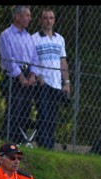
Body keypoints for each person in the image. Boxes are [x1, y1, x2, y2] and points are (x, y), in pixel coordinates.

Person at [0, 5, 41, 145]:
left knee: (25, 109)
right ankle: (9, 141)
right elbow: (8, 59)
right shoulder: (6, 35)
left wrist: (32, 75)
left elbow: (35, 58)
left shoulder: (29, 37)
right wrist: (21, 77)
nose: (30, 18)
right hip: (14, 76)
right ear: (17, 17)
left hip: (29, 74)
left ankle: (20, 142)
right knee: (14, 108)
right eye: (27, 15)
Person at [32, 8, 71, 149]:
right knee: (43, 113)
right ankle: (43, 144)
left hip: (56, 83)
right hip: (42, 83)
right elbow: (32, 61)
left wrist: (66, 82)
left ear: (54, 20)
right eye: (45, 18)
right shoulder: (34, 39)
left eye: (51, 18)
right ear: (40, 20)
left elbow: (63, 62)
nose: (48, 21)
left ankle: (50, 145)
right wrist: (38, 76)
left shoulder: (60, 39)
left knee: (53, 117)